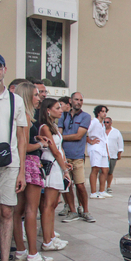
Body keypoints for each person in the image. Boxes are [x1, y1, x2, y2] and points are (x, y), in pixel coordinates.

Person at [12, 82, 54, 261]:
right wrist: (40, 144)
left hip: (18, 166)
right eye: (37, 95)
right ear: (28, 96)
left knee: (17, 210)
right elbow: (23, 145)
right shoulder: (27, 117)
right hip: (29, 164)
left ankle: (21, 250)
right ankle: (33, 253)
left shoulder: (17, 116)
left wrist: (35, 137)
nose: (39, 98)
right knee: (31, 209)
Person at [0, 52, 27, 261]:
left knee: (7, 211)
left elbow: (22, 136)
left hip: (9, 162)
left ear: (5, 69)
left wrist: (22, 170)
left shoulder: (16, 100)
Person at [39, 99, 71, 251]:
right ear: (48, 110)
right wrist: (64, 168)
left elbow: (60, 149)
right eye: (57, 108)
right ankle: (47, 241)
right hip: (51, 165)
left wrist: (64, 164)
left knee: (52, 205)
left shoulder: (53, 127)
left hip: (57, 165)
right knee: (48, 205)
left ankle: (51, 236)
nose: (61, 110)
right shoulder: (44, 127)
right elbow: (54, 150)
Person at [59, 92, 94, 223]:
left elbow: (79, 136)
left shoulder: (85, 116)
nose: (79, 102)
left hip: (77, 156)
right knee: (67, 185)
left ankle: (85, 210)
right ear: (70, 101)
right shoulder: (63, 115)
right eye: (76, 99)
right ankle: (72, 211)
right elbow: (60, 131)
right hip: (64, 156)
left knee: (80, 185)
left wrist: (61, 138)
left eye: (81, 100)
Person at [88, 105, 111, 198]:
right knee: (95, 169)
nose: (104, 113)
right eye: (103, 111)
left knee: (105, 169)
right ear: (98, 113)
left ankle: (102, 190)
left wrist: (107, 151)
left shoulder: (102, 124)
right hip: (95, 148)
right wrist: (90, 141)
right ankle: (93, 192)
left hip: (103, 149)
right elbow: (85, 131)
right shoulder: (94, 122)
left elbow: (104, 139)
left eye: (105, 111)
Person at [104, 117, 123, 193]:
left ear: (111, 123)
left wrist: (119, 153)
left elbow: (120, 143)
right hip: (102, 155)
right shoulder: (101, 131)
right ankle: (101, 187)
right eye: (104, 122)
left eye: (107, 122)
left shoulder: (116, 132)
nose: (105, 124)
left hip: (113, 155)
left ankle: (108, 186)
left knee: (110, 172)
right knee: (102, 172)